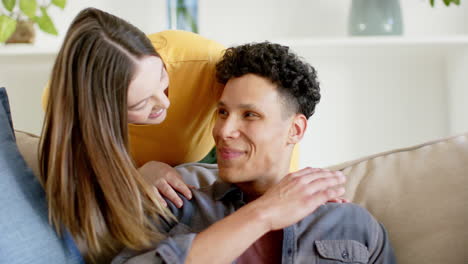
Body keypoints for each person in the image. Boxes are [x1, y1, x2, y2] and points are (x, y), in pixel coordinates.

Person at [38, 8, 318, 263]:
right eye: (141, 104)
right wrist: (137, 175)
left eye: (163, 80)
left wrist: (290, 197)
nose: (165, 104)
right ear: (100, 112)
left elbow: (277, 120)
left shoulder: (204, 63)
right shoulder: (69, 111)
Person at [112, 43, 396, 263]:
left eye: (250, 115)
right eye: (222, 112)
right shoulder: (175, 209)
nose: (223, 131)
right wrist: (264, 213)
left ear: (295, 130)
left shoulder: (352, 226)